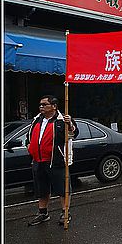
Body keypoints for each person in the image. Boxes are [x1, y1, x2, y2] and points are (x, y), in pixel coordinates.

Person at [26, 95, 79, 226]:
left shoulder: (62, 120)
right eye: (40, 105)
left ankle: (65, 213)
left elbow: (73, 134)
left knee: (62, 188)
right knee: (41, 188)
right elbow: (29, 135)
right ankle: (43, 213)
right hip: (38, 160)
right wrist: (28, 145)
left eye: (44, 104)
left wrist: (69, 124)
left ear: (54, 106)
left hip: (56, 160)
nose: (41, 107)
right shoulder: (37, 120)